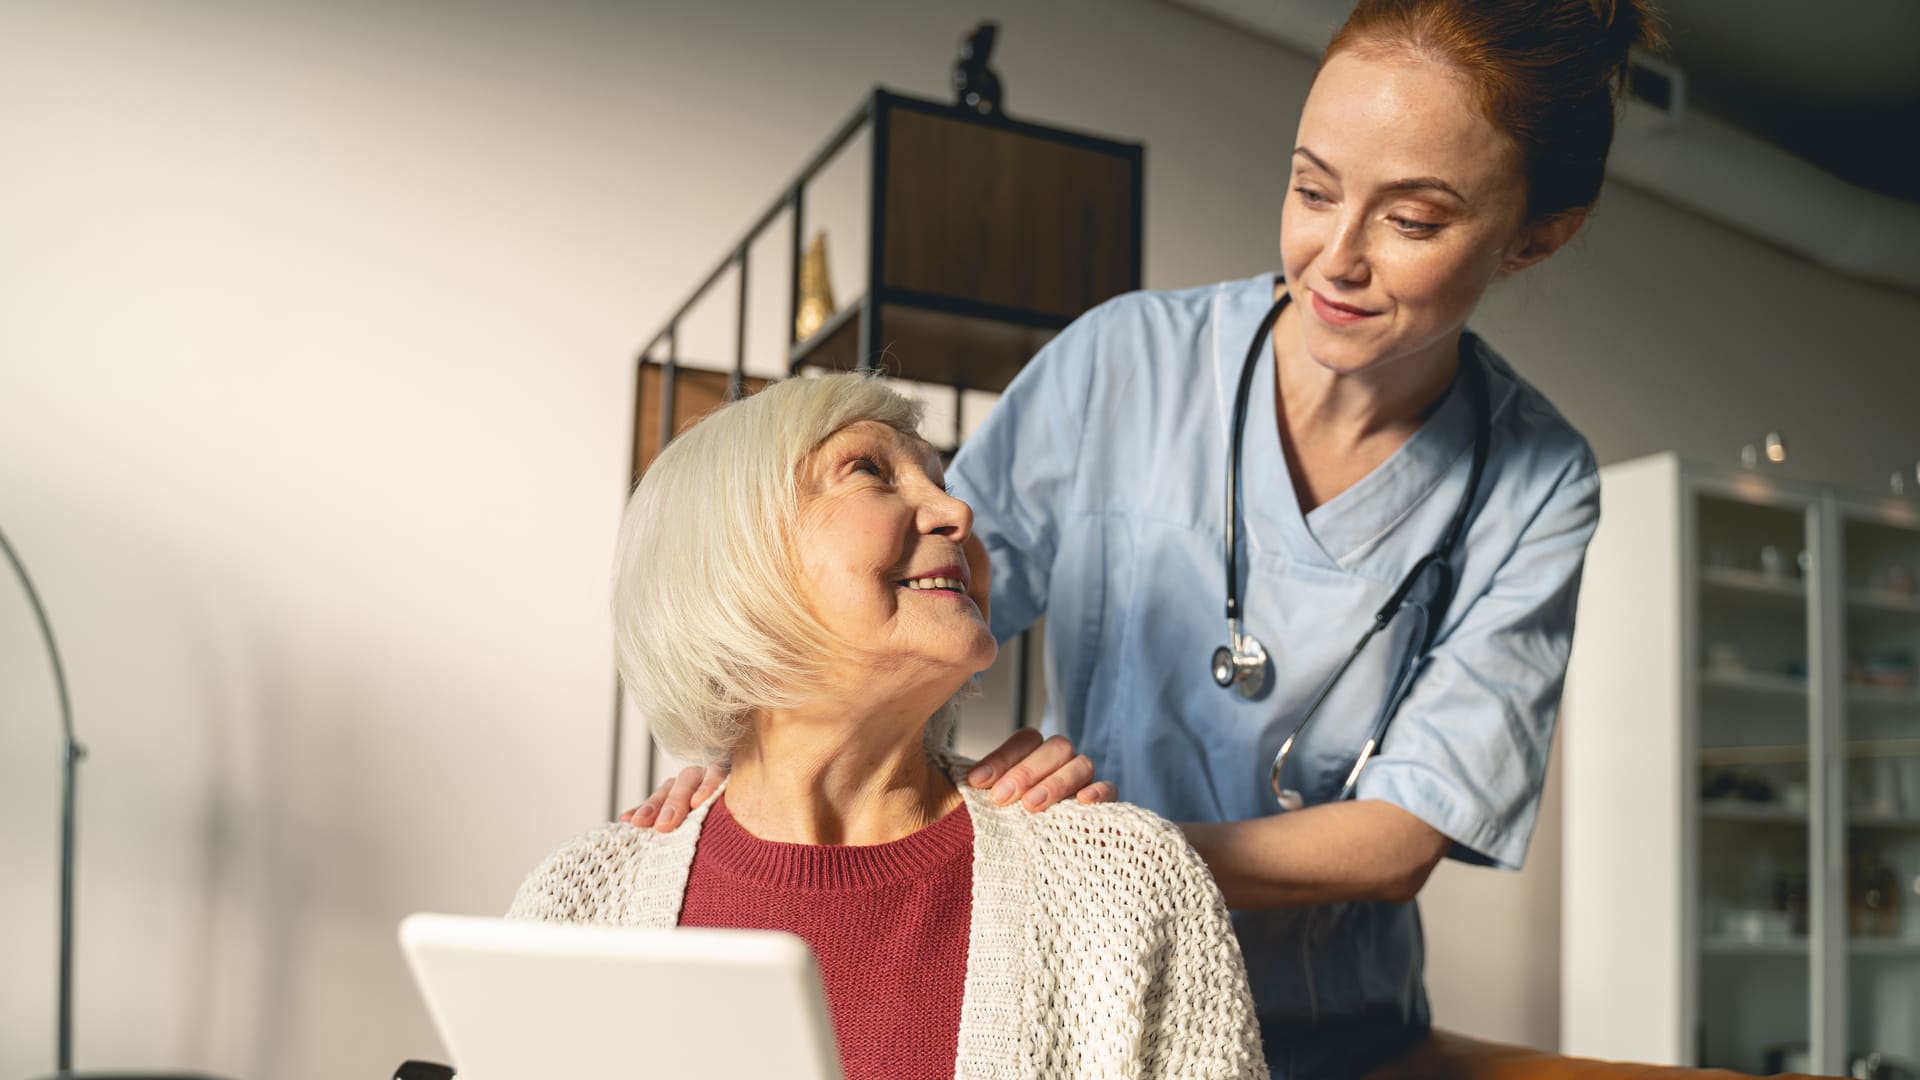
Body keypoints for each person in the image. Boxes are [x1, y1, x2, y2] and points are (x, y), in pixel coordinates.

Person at [634, 0, 1664, 1074]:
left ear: (1537, 233)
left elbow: (1405, 832)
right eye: (1312, 189)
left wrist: (1101, 857)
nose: (1335, 257)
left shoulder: (1538, 482)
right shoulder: (1123, 363)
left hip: (1328, 1033)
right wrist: (749, 766)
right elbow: (919, 596)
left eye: (1411, 221)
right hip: (1086, 1011)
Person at [513, 373, 1268, 1080]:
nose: (957, 514)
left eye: (940, 483)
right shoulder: (579, 901)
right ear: (734, 557)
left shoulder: (1123, 881)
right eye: (871, 473)